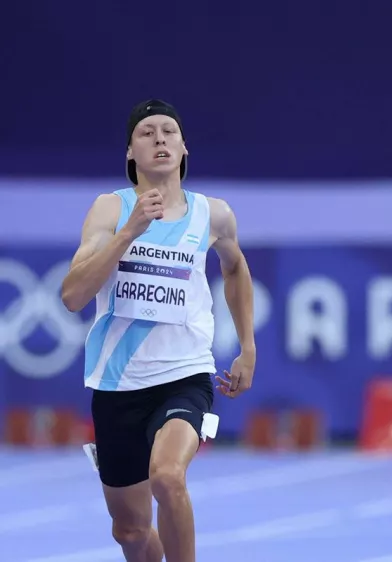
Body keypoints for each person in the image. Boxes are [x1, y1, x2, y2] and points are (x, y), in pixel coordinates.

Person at [60, 99, 257, 562]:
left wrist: (247, 347)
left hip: (184, 375)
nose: (160, 139)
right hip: (117, 384)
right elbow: (72, 296)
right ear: (130, 152)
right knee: (129, 531)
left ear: (184, 146)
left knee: (168, 476)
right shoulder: (111, 210)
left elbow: (235, 269)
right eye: (147, 133)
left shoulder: (215, 215)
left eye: (169, 131)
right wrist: (129, 232)